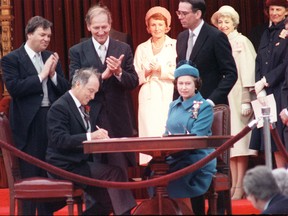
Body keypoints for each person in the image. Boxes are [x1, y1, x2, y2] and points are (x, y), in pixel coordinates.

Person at [1, 16, 69, 215]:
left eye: (48, 35)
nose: (46, 39)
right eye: (42, 34)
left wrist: (54, 74)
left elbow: (65, 89)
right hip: (28, 124)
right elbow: (14, 88)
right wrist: (42, 75)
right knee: (30, 174)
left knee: (49, 173)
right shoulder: (12, 59)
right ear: (29, 34)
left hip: (51, 119)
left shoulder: (51, 57)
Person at [46, 67, 136, 215]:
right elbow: (59, 140)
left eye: (95, 92)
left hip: (80, 163)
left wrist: (99, 140)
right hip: (64, 166)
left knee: (109, 200)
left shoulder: (80, 105)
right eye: (90, 90)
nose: (93, 96)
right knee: (115, 173)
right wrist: (90, 136)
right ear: (78, 85)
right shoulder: (60, 107)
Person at [69, 4, 139, 186]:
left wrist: (119, 73)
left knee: (120, 169)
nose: (101, 32)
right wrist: (103, 76)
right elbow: (74, 83)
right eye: (96, 27)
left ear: (110, 25)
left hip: (118, 117)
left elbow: (133, 81)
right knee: (95, 171)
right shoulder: (77, 51)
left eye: (104, 27)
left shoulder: (123, 47)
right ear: (88, 27)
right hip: (90, 115)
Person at [211, 5, 258, 200]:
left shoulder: (241, 41)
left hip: (239, 97)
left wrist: (247, 98)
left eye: (227, 21)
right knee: (230, 145)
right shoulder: (219, 41)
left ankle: (240, 185)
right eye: (220, 22)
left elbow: (249, 69)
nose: (223, 25)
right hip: (225, 97)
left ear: (234, 23)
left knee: (241, 143)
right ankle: (232, 184)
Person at [163, 63, 216, 214]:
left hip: (197, 156)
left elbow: (197, 138)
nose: (184, 87)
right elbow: (167, 132)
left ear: (196, 85)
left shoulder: (204, 106)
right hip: (174, 155)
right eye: (180, 83)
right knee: (154, 170)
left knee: (178, 175)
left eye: (188, 83)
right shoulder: (173, 105)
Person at [175, 0, 237, 106]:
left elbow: (230, 74)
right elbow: (179, 73)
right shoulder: (181, 37)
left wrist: (211, 100)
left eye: (184, 13)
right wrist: (176, 103)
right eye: (178, 13)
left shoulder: (216, 37)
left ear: (198, 14)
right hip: (185, 106)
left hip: (209, 106)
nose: (180, 17)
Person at [250, 0, 288, 168]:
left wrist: (266, 81)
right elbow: (259, 60)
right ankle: (280, 182)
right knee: (272, 141)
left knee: (281, 138)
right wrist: (259, 85)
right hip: (266, 92)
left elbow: (285, 63)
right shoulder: (266, 32)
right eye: (271, 9)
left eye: (278, 9)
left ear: (286, 11)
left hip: (281, 89)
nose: (274, 13)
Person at [134, 6, 177, 137]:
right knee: (149, 132)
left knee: (167, 131)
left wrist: (161, 69)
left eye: (160, 24)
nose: (157, 28)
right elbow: (134, 75)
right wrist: (146, 72)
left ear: (167, 27)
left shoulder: (175, 44)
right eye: (153, 25)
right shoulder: (142, 48)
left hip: (168, 92)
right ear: (148, 28)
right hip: (148, 94)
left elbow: (180, 72)